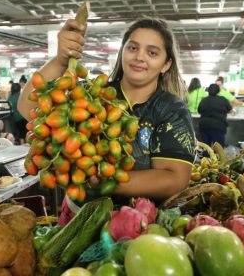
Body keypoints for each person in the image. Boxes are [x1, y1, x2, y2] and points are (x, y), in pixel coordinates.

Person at [18, 17, 196, 205]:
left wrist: (108, 179)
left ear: (166, 64)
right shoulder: (94, 93)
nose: (139, 57)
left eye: (152, 53)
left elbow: (176, 180)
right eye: (133, 48)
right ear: (122, 52)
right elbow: (28, 108)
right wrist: (61, 60)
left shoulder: (171, 109)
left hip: (141, 223)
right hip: (80, 215)